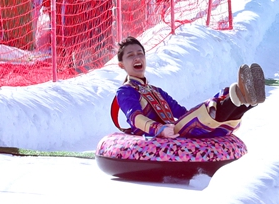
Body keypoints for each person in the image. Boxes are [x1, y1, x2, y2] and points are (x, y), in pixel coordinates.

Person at [114, 37, 266, 139]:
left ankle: (246, 101)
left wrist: (193, 116)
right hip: (152, 136)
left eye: (140, 53)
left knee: (208, 117)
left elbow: (180, 111)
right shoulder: (125, 91)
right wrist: (159, 129)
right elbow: (135, 117)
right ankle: (238, 97)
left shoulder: (155, 90)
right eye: (130, 55)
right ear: (121, 65)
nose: (137, 57)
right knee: (206, 115)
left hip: (173, 131)